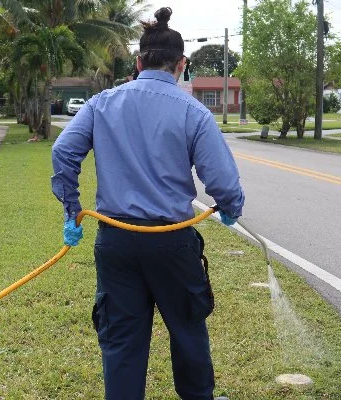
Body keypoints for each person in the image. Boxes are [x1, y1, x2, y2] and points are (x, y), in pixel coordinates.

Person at [50, 7, 244, 400]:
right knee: (188, 328)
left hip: (116, 242)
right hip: (172, 244)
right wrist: (229, 206)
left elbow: (63, 152)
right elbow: (222, 181)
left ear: (138, 62)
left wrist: (72, 209)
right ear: (182, 65)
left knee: (121, 338)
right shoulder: (193, 111)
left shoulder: (102, 103)